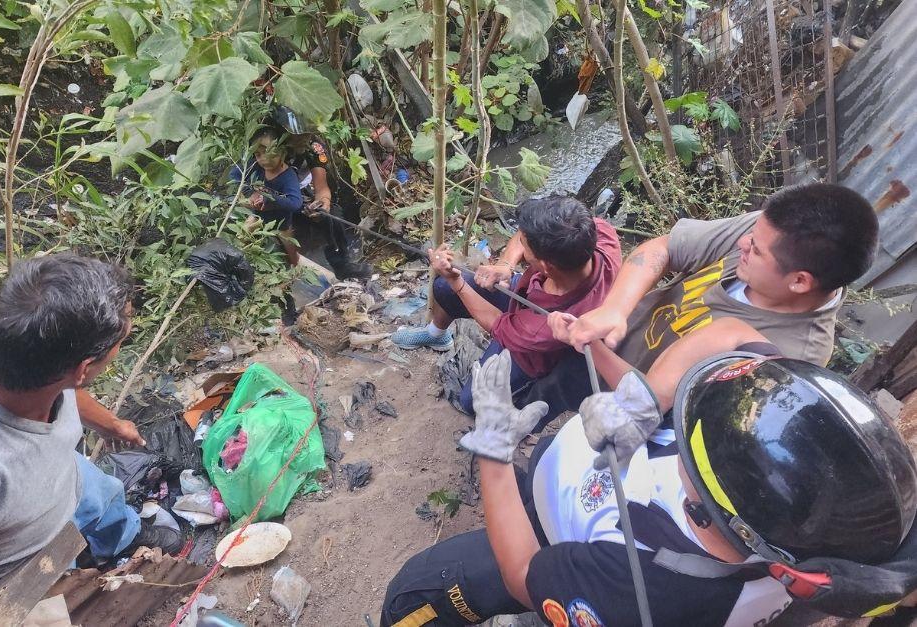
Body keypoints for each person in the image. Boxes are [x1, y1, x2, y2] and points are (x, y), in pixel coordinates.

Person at [380, 334, 917, 626]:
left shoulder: (649, 594)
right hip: (567, 515)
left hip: (551, 546)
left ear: (713, 511)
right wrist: (648, 399)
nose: (683, 423)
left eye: (689, 432)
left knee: (418, 592)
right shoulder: (830, 521)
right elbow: (735, 336)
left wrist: (494, 451)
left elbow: (523, 572)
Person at [520, 182, 879, 426]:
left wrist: (592, 346)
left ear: (800, 281)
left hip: (631, 411)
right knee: (547, 394)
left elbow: (658, 406)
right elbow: (664, 248)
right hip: (614, 340)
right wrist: (615, 311)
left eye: (755, 249)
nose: (742, 243)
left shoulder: (786, 358)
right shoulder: (772, 234)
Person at [0, 254, 183, 596]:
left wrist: (111, 424)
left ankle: (124, 536)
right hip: (27, 557)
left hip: (61, 470)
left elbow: (64, 386)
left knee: (100, 494)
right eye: (121, 343)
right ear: (84, 370)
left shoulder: (7, 336)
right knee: (63, 583)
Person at [391, 196, 622, 414]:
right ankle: (436, 334)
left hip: (532, 349)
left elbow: (497, 323)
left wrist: (456, 281)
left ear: (545, 266)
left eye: (525, 245)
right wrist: (505, 265)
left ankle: (533, 391)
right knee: (442, 288)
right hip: (527, 298)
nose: (520, 241)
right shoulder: (596, 235)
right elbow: (525, 233)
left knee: (471, 402)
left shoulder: (546, 326)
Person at [230, 111, 371, 279]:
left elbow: (321, 187)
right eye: (299, 136)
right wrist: (255, 197)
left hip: (297, 199)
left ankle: (343, 265)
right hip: (266, 202)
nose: (304, 139)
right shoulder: (265, 145)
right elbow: (239, 180)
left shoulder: (313, 147)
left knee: (333, 216)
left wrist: (322, 204)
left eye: (307, 134)